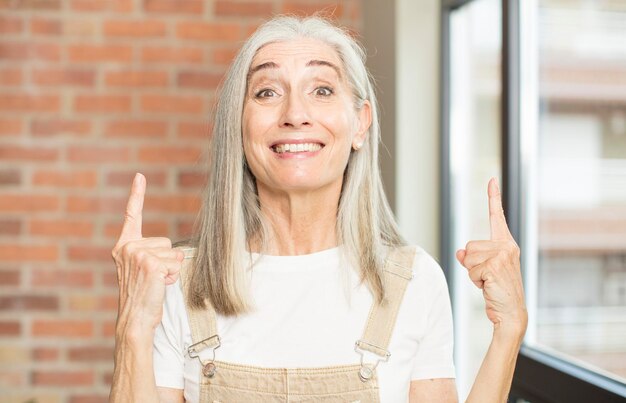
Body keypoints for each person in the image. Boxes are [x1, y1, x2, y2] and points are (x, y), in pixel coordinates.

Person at [109, 15, 527, 403]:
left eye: (322, 90)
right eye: (267, 91)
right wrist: (132, 328)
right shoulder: (179, 283)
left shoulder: (414, 281)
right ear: (239, 124)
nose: (295, 114)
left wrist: (509, 331)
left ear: (360, 124)